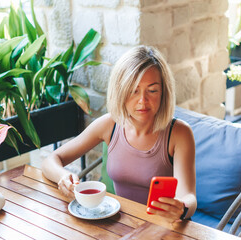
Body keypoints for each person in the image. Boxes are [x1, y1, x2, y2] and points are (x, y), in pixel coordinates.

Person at [42, 45, 197, 222]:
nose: (142, 101)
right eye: (133, 90)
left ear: (164, 93)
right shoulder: (110, 124)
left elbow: (189, 197)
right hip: (122, 223)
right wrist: (63, 177)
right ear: (121, 91)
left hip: (164, 226)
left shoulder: (179, 133)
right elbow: (50, 160)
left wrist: (181, 208)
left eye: (152, 90)